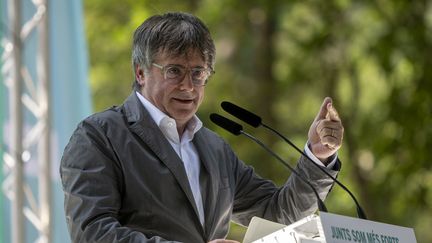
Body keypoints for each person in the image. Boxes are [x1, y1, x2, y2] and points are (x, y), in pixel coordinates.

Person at [60, 12, 344, 243]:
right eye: (174, 71)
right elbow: (92, 234)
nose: (188, 86)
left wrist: (317, 156)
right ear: (141, 72)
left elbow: (280, 214)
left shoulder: (215, 148)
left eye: (198, 73)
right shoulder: (98, 137)